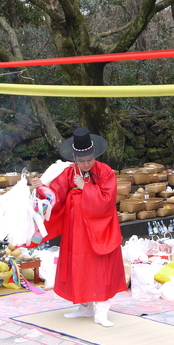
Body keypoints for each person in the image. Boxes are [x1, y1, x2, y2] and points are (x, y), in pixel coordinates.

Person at [30, 127, 127, 327]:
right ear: (75, 158)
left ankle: (101, 311)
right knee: (78, 267)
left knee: (101, 268)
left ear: (95, 155)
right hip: (76, 230)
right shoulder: (68, 172)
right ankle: (84, 308)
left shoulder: (105, 171)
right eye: (82, 161)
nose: (86, 164)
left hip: (100, 228)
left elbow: (107, 200)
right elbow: (54, 195)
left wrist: (85, 187)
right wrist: (40, 186)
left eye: (90, 159)